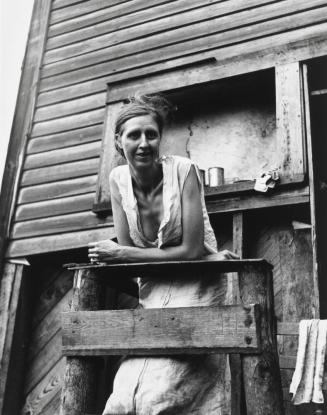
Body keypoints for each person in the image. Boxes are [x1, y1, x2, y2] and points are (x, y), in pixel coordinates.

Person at [88, 94, 238, 415]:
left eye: (151, 134)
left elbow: (190, 249)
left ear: (160, 138)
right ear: (118, 141)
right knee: (121, 401)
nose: (144, 143)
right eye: (133, 135)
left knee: (163, 395)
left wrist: (123, 253)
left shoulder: (183, 171)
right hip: (154, 291)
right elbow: (133, 254)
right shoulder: (117, 181)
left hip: (198, 288)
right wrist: (125, 254)